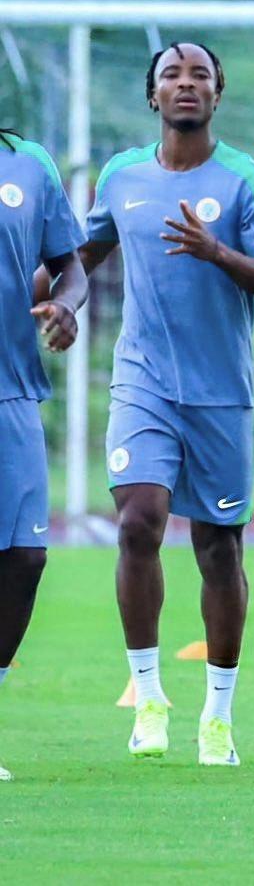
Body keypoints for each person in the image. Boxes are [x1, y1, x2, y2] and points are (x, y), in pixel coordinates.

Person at [78, 43, 254, 767]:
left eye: (200, 74)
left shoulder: (244, 180)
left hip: (221, 394)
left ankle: (218, 715)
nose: (185, 83)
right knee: (138, 521)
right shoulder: (121, 176)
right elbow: (81, 255)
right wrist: (56, 302)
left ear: (218, 93)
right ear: (152, 96)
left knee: (217, 548)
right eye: (172, 74)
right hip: (142, 381)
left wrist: (218, 253)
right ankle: (147, 698)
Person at [0, 127, 88, 781]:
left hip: (11, 392)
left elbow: (72, 263)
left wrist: (63, 304)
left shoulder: (29, 164)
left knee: (26, 558)